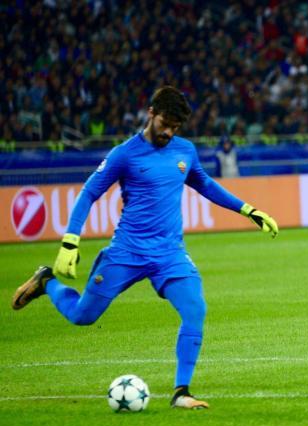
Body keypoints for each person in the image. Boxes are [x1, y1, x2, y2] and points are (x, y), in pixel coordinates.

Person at [12, 86, 279, 408]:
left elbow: (205, 184)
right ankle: (47, 282)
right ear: (151, 112)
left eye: (176, 127)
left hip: (169, 253)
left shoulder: (185, 151)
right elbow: (88, 193)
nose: (169, 132)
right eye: (166, 122)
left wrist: (248, 210)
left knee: (195, 309)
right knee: (83, 316)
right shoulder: (124, 153)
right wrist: (70, 240)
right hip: (127, 251)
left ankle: (182, 392)